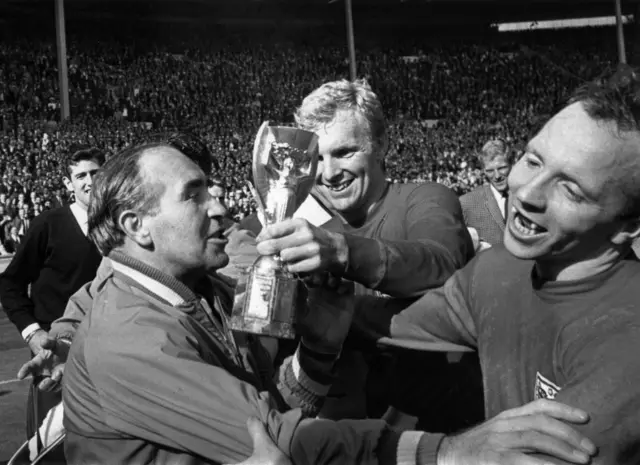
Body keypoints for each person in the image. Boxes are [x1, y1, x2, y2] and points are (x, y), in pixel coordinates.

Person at [30, 140, 596, 465]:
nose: (221, 207)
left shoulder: (202, 293)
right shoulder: (133, 334)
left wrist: (320, 349)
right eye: (195, 194)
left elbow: (273, 400)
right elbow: (275, 437)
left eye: (215, 189)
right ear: (138, 227)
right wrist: (447, 453)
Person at [353, 65, 640, 464]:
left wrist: (448, 453)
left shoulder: (627, 345)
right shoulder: (499, 267)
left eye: (571, 189)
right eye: (533, 160)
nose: (527, 192)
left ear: (629, 226)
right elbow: (393, 323)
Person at [253, 79, 481, 427]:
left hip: (445, 428)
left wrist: (342, 254)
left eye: (345, 152)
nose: (329, 174)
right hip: (350, 437)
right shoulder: (306, 231)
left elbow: (442, 263)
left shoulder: (425, 198)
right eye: (317, 158)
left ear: (381, 144)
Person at [0, 145, 104, 439]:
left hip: (109, 355)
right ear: (68, 183)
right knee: (52, 447)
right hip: (55, 357)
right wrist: (33, 334)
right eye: (80, 175)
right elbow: (9, 284)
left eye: (95, 173)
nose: (89, 181)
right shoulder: (48, 224)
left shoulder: (120, 227)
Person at [460, 139, 514, 250]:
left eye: (502, 168)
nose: (497, 175)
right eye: (490, 171)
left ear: (512, 164)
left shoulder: (528, 195)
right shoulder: (467, 203)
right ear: (483, 171)